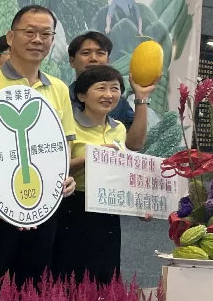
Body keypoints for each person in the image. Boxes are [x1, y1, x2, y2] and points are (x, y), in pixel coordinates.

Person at [0, 5, 78, 287]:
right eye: (29, 32)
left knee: (33, 283)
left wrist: (64, 176)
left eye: (46, 34)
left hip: (42, 203)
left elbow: (64, 145)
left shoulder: (58, 88)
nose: (37, 40)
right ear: (10, 37)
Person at [53, 64, 153, 283]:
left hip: (107, 211)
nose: (109, 95)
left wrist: (138, 205)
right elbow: (54, 170)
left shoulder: (118, 128)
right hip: (72, 207)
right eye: (101, 88)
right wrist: (91, 157)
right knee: (69, 277)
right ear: (81, 94)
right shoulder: (66, 125)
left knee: (104, 276)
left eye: (115, 88)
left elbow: (121, 173)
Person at [67, 32, 135, 127]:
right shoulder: (63, 99)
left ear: (107, 61)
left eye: (100, 53)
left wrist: (141, 97)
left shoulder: (119, 103)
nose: (93, 58)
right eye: (86, 53)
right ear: (72, 61)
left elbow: (134, 141)